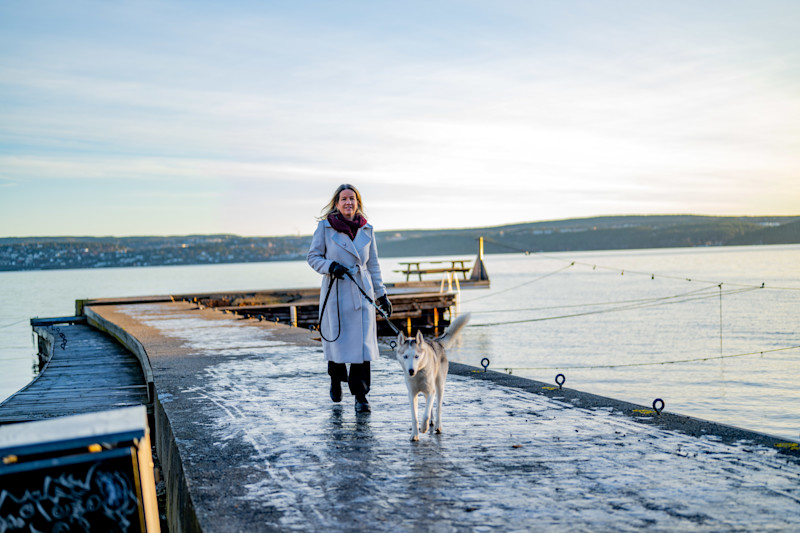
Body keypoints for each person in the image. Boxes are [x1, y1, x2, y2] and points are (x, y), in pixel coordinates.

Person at [307, 184, 392, 412]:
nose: (348, 203)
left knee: (361, 346)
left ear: (358, 202)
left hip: (361, 292)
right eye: (344, 199)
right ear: (336, 203)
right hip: (336, 290)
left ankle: (361, 395)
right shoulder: (325, 228)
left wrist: (381, 294)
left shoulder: (367, 230)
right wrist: (330, 266)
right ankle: (336, 379)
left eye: (352, 199)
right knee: (337, 341)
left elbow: (373, 264)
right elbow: (313, 257)